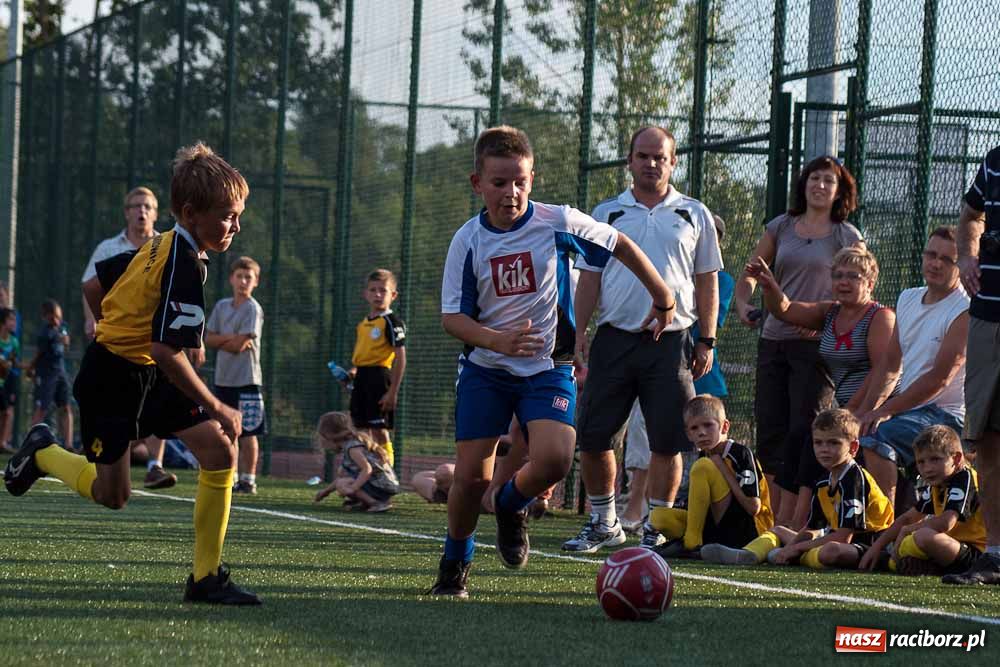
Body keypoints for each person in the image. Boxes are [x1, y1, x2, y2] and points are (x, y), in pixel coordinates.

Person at [4, 142, 260, 605]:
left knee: (220, 450)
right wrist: (218, 403)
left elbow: (93, 285)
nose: (236, 226)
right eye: (227, 215)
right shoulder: (179, 257)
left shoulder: (163, 242)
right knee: (113, 494)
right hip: (112, 378)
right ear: (191, 213)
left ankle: (206, 578)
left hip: (143, 368)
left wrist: (124, 322)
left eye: (238, 215)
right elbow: (166, 350)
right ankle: (44, 453)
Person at [429, 125, 673, 597]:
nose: (511, 192)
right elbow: (452, 319)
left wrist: (661, 294)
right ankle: (455, 561)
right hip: (486, 369)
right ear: (477, 183)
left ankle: (510, 503)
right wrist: (496, 341)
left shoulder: (556, 222)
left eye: (519, 181)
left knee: (558, 458)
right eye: (499, 183)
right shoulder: (468, 241)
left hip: (548, 366)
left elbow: (618, 243)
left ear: (532, 178)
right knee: (468, 479)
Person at [563, 125, 722, 554]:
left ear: (673, 162)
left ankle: (658, 524)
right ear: (629, 160)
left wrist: (706, 339)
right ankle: (603, 521)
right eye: (643, 156)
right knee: (594, 437)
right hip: (615, 338)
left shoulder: (695, 213)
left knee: (667, 441)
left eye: (660, 157)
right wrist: (580, 333)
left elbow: (707, 281)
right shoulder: (606, 212)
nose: (651, 163)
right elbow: (589, 278)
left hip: (672, 341)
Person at [732, 156, 863, 526]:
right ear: (803, 185)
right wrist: (743, 303)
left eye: (829, 181)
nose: (820, 186)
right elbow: (751, 273)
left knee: (807, 430)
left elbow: (862, 282)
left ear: (839, 191)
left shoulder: (846, 235)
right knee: (771, 428)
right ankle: (769, 521)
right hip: (774, 339)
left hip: (817, 345)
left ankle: (803, 520)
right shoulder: (781, 227)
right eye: (814, 178)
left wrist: (837, 316)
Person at [746, 245, 893, 527]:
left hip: (875, 408)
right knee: (798, 433)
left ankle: (799, 526)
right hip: (846, 411)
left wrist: (853, 412)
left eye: (853, 276)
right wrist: (769, 285)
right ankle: (779, 524)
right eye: (838, 276)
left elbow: (881, 372)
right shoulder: (830, 313)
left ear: (870, 283)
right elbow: (785, 310)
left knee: (815, 436)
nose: (844, 282)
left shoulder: (880, 317)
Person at [618, 213, 733, 532]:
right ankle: (636, 506)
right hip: (654, 365)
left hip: (695, 373)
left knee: (703, 445)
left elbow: (701, 321)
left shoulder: (718, 279)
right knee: (645, 436)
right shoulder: (664, 268)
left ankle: (711, 514)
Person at [856, 227, 969, 504]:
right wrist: (866, 413)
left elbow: (939, 379)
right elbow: (890, 364)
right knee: (846, 437)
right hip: (910, 411)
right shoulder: (907, 298)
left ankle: (882, 529)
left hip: (948, 416)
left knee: (877, 441)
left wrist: (885, 411)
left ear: (961, 266)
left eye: (947, 259)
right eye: (931, 254)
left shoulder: (965, 309)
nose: (936, 263)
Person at [702, 409, 893, 570]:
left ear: (853, 448)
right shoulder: (823, 482)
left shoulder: (854, 478)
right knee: (778, 530)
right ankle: (748, 555)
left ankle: (789, 557)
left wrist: (796, 549)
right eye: (818, 443)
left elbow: (844, 536)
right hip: (838, 541)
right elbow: (812, 528)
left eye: (833, 443)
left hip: (871, 545)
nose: (824, 449)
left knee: (830, 551)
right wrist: (791, 547)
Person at [81, 186, 176, 490]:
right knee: (118, 418)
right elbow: (89, 286)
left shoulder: (167, 247)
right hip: (116, 347)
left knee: (161, 399)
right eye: (136, 206)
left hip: (154, 343)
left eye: (147, 206)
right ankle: (111, 461)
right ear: (126, 212)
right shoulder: (109, 248)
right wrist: (94, 320)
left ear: (156, 212)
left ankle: (154, 465)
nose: (142, 211)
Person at [948, 144, 1000, 585]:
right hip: (989, 318)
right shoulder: (996, 159)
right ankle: (996, 555)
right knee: (988, 439)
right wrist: (966, 255)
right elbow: (970, 215)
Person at [649, 395, 773, 559]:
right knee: (658, 517)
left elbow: (753, 507)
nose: (702, 433)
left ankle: (691, 544)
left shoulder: (740, 453)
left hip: (748, 530)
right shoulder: (703, 456)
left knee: (703, 467)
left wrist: (721, 467)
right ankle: (701, 543)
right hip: (716, 528)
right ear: (688, 434)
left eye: (708, 425)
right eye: (694, 428)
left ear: (724, 426)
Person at [859, 425, 984, 576]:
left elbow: (946, 522)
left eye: (935, 459)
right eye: (921, 462)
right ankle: (899, 561)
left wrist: (908, 530)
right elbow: (907, 518)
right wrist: (877, 546)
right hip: (954, 547)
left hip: (977, 555)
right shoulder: (939, 483)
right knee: (917, 537)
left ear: (956, 459)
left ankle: (902, 563)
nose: (928, 468)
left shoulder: (965, 478)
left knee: (922, 535)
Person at [205, 256, 266, 495]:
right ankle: (229, 476)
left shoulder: (253, 308)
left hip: (247, 380)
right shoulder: (221, 306)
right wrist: (230, 340)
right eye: (239, 276)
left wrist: (225, 340)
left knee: (249, 431)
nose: (243, 282)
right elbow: (208, 339)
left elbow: (238, 346)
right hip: (223, 379)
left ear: (256, 281)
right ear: (231, 278)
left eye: (248, 277)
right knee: (227, 430)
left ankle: (248, 479)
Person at [345, 268, 406, 467]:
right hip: (362, 377)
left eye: (383, 290)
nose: (378, 295)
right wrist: (353, 372)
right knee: (360, 428)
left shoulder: (391, 321)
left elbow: (400, 356)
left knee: (380, 430)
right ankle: (367, 471)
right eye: (373, 290)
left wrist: (392, 392)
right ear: (366, 294)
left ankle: (387, 471)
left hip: (380, 377)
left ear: (393, 295)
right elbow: (363, 353)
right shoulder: (363, 323)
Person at [313, 411, 399, 512]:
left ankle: (376, 503)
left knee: (343, 484)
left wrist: (353, 488)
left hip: (383, 487)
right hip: (379, 486)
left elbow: (367, 469)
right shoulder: (349, 447)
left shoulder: (352, 448)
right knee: (343, 480)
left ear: (329, 436)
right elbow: (339, 480)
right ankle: (365, 502)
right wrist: (325, 492)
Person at [26, 300, 73, 450]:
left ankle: (68, 444)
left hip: (60, 372)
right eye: (53, 317)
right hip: (47, 374)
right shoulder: (44, 333)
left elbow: (65, 345)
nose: (56, 320)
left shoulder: (63, 327)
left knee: (66, 407)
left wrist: (66, 341)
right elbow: (39, 354)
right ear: (46, 317)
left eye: (58, 317)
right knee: (42, 408)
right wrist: (31, 367)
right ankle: (29, 444)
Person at [0, 308, 19, 453]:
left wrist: (30, 367)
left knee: (7, 412)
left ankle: (3, 443)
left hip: (5, 382)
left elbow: (13, 362)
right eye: (11, 319)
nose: (14, 322)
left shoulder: (14, 342)